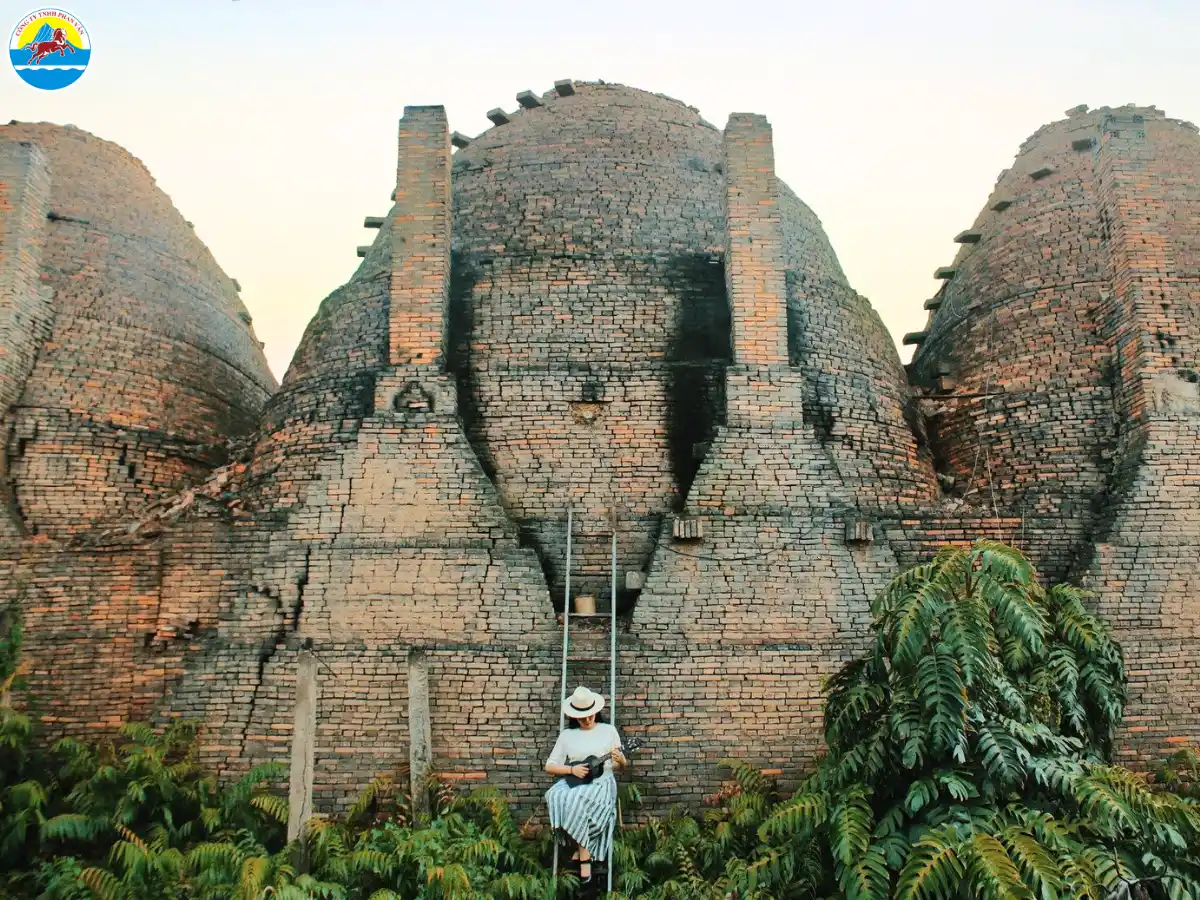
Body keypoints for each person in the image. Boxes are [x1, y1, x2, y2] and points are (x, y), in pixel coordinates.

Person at [544, 686, 627, 882]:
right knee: (554, 795)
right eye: (583, 718)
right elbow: (550, 765)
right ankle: (584, 850)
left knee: (576, 799)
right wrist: (571, 770)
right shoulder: (567, 735)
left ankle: (584, 860)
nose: (588, 720)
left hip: (601, 784)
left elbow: (620, 768)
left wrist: (622, 760)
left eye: (591, 715)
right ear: (575, 716)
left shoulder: (608, 731)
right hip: (577, 780)